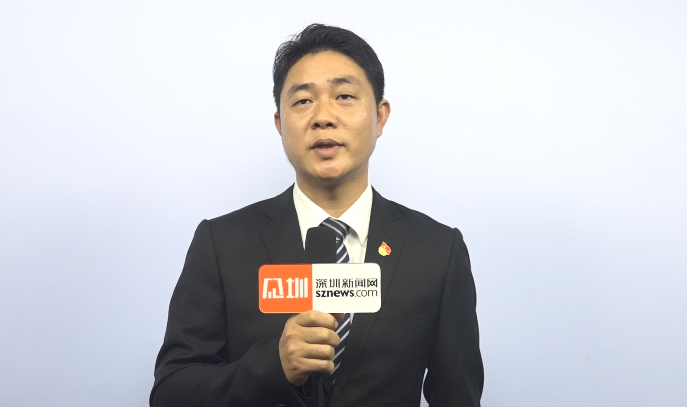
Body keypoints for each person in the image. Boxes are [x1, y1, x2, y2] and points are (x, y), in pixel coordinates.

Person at [150, 24, 483, 407]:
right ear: (280, 123)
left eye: (344, 96)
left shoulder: (437, 250)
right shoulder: (221, 244)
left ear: (380, 117)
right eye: (303, 101)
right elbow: (171, 393)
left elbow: (458, 397)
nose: (323, 117)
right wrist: (272, 366)